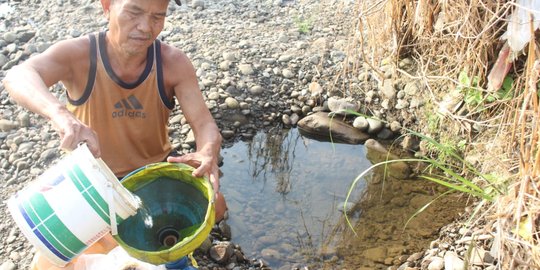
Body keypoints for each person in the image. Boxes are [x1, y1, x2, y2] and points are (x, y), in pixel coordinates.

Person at [2, 0, 227, 268]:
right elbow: (18, 75)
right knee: (48, 261)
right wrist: (61, 115)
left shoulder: (172, 62)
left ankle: (144, 251)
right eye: (134, 12)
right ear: (107, 6)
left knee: (217, 203)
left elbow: (204, 124)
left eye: (158, 16)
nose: (145, 27)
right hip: (94, 184)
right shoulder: (79, 55)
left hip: (153, 178)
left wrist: (207, 151)